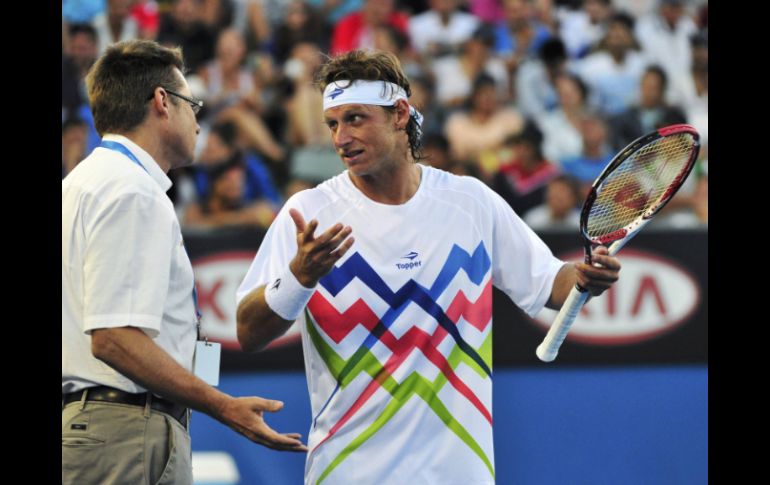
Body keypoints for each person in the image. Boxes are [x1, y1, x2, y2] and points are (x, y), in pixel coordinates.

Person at [235, 49, 621, 484]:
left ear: (400, 114)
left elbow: (553, 283)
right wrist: (300, 276)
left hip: (460, 472)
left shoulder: (471, 201)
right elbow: (247, 332)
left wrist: (586, 275)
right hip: (349, 472)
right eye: (333, 123)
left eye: (356, 118)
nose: (341, 137)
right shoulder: (308, 212)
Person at [62, 39, 306, 485]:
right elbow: (112, 338)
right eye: (192, 103)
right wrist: (221, 405)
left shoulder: (85, 182)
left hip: (105, 426)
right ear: (161, 102)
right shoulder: (130, 190)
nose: (198, 121)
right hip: (124, 430)